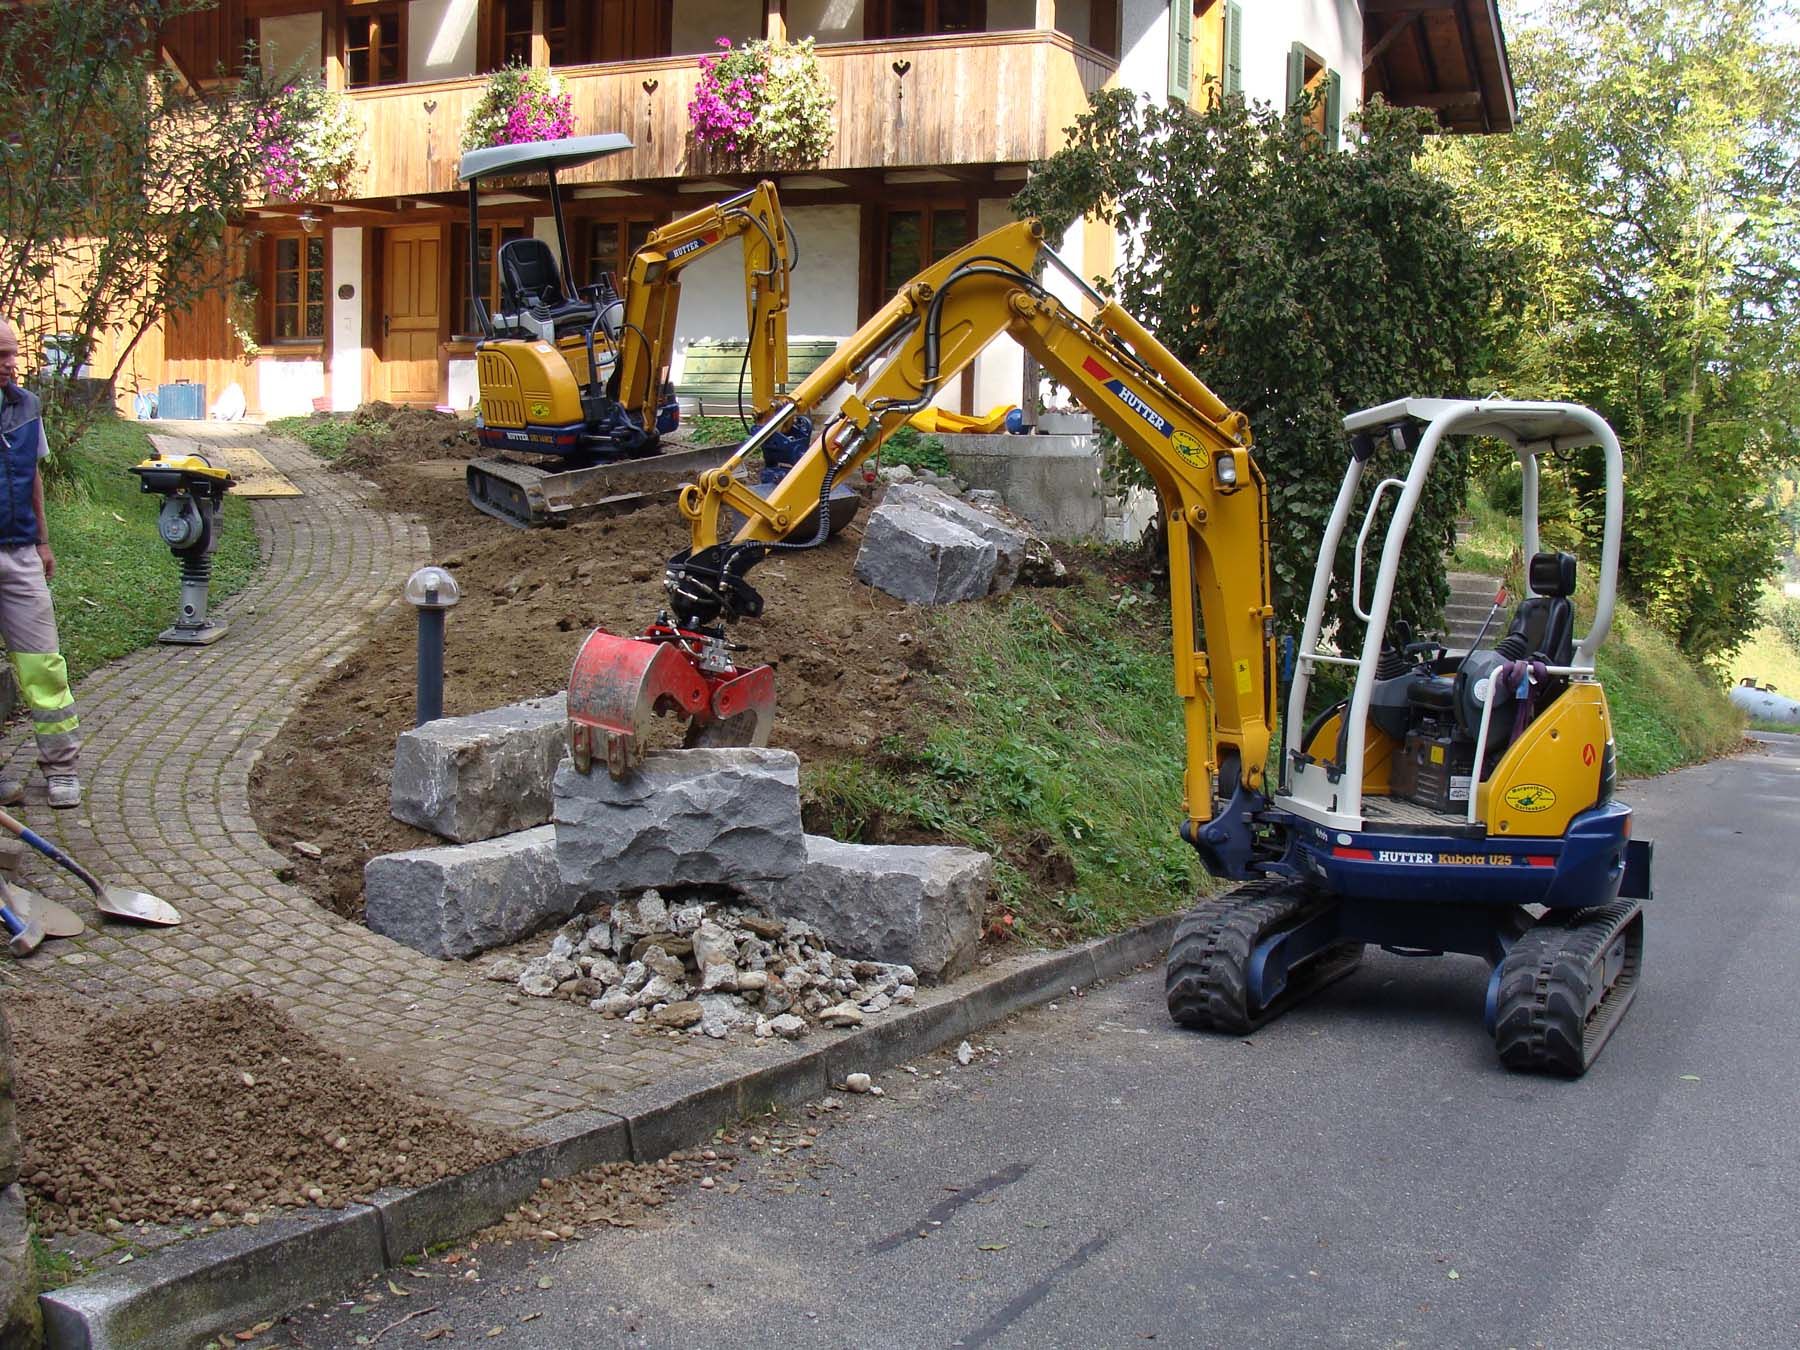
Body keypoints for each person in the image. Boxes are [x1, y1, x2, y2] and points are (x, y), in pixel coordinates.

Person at [0, 317, 80, 809]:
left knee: (43, 666)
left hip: (21, 552)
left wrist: (43, 543)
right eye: (0, 357)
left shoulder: (26, 406)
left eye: (11, 354)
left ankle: (61, 769)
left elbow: (32, 477)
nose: (10, 365)